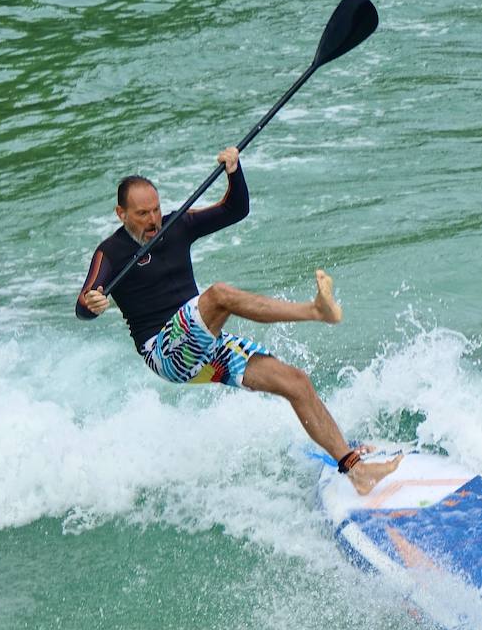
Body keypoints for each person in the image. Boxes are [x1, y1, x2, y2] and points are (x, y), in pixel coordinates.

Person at [76, 146, 401, 494]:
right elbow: (84, 302)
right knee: (218, 296)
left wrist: (234, 171)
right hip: (164, 352)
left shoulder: (175, 225)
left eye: (155, 209)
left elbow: (235, 209)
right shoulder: (111, 252)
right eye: (142, 214)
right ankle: (314, 311)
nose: (153, 220)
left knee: (296, 382)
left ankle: (354, 469)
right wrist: (93, 301)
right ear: (121, 213)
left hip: (203, 345)